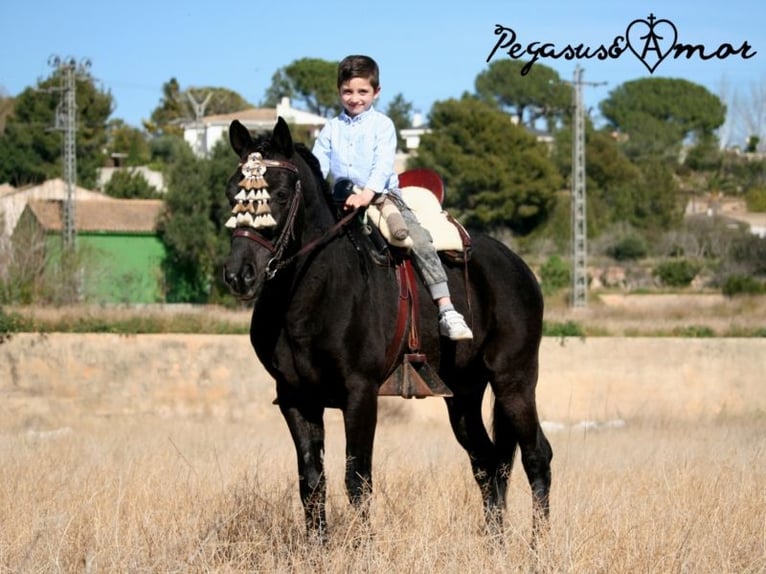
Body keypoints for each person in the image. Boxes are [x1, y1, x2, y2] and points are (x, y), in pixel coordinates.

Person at [312, 55, 473, 340]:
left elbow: (382, 165)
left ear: (377, 92)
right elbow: (317, 167)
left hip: (381, 197)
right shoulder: (330, 129)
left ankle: (446, 308)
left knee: (418, 238)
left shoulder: (383, 125)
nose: (354, 98)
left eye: (363, 91)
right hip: (340, 201)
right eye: (348, 91)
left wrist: (366, 195)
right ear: (338, 91)